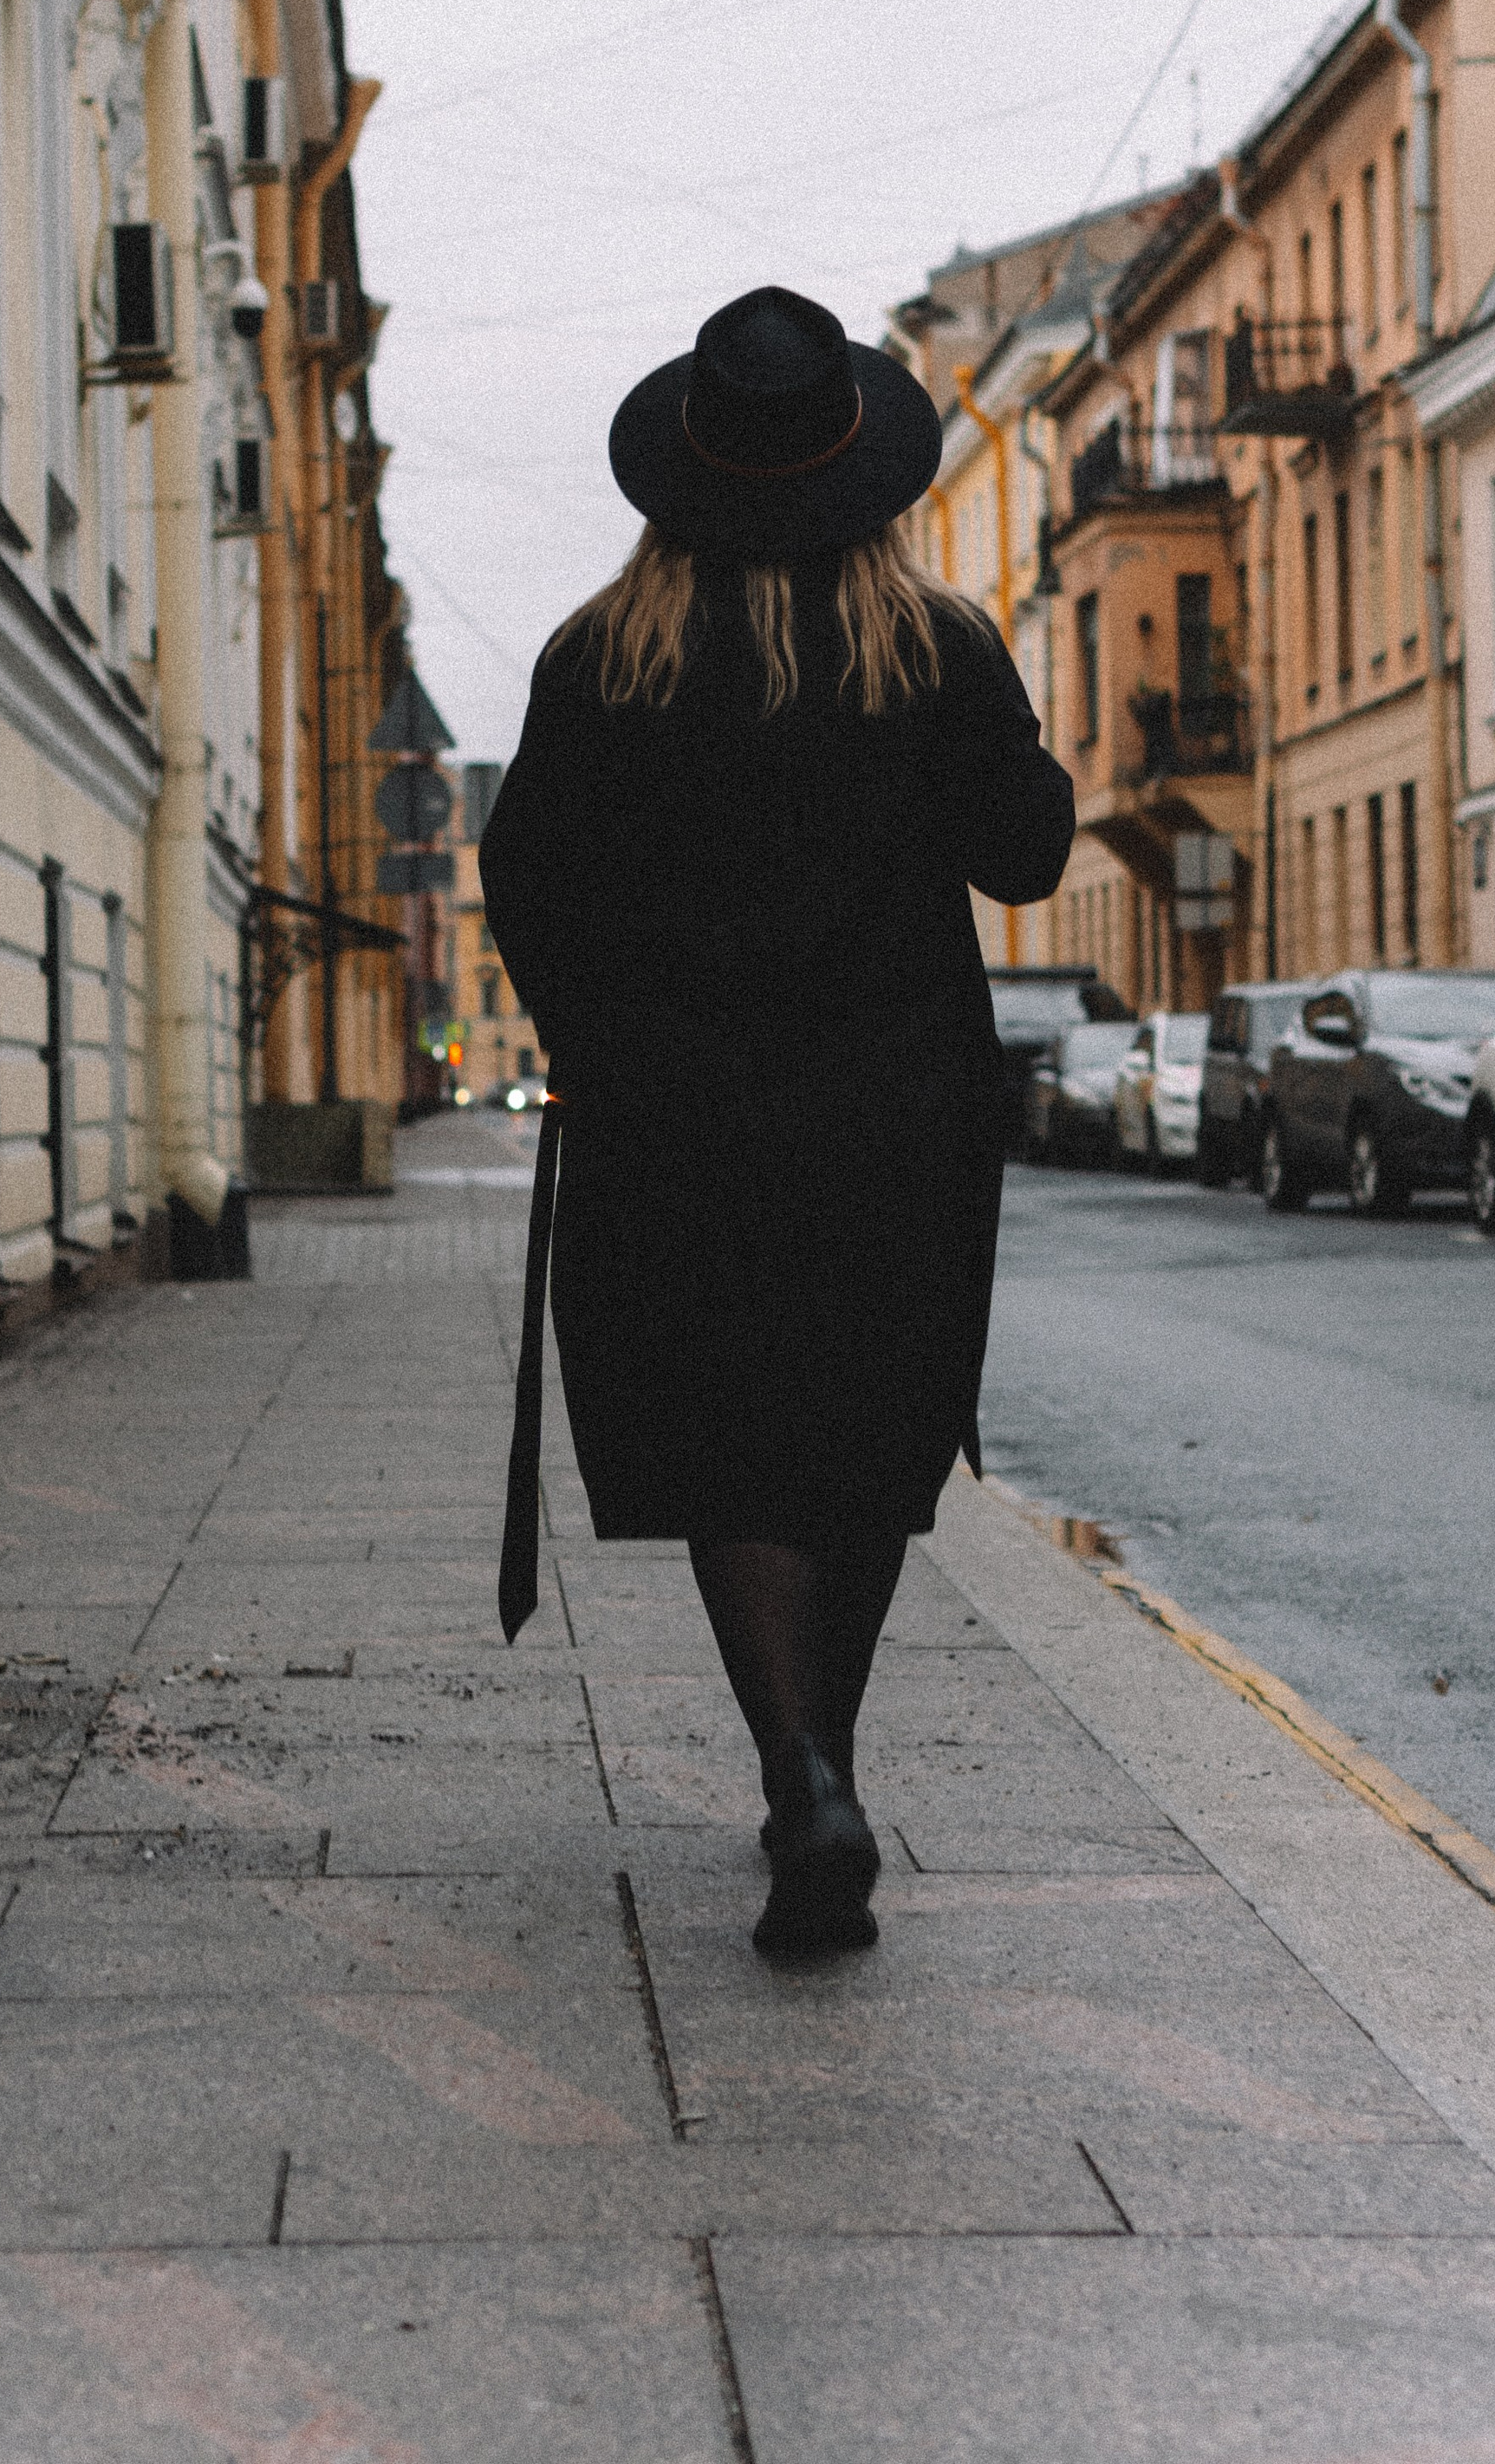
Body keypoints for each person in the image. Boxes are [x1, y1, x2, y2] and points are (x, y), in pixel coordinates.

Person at [478, 284, 1074, 1955]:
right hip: (897, 1120)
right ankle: (825, 1771)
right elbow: (1026, 855)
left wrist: (591, 1036)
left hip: (675, 1125)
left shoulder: (601, 657)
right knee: (864, 1441)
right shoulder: (935, 648)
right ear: (860, 472)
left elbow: (523, 876)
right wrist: (1013, 752)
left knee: (732, 1438)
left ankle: (801, 1765)